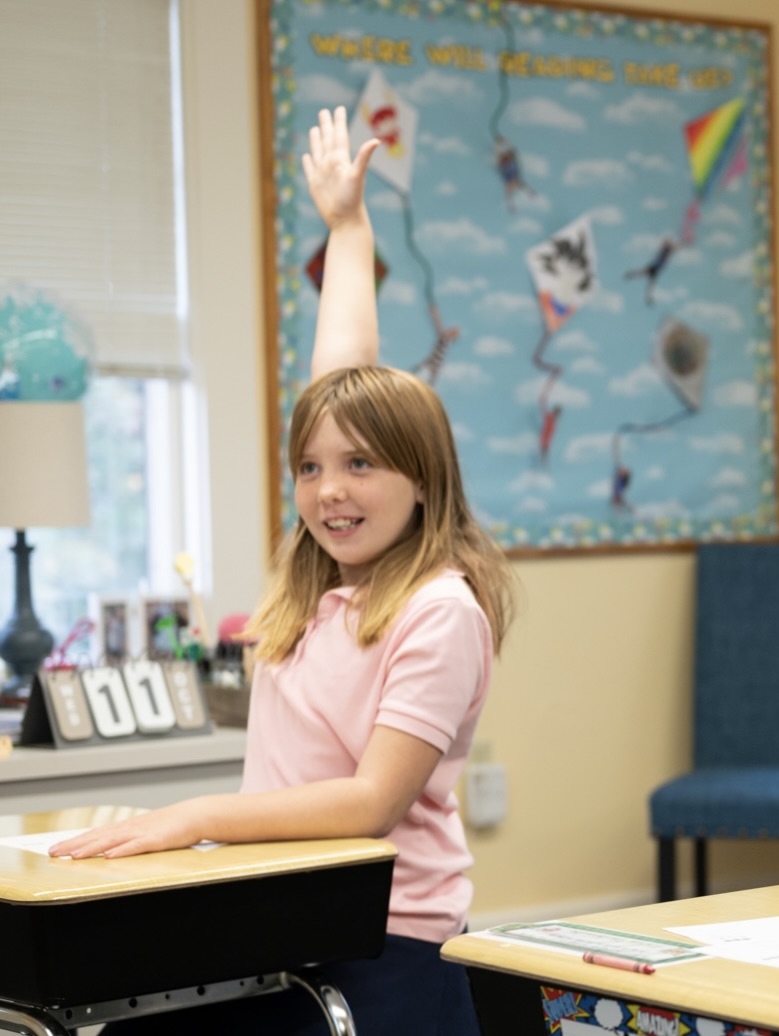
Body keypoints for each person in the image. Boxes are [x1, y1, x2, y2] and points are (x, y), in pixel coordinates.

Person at [48, 105, 513, 1036]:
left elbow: (371, 802)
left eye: (360, 466)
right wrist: (347, 227)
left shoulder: (440, 610)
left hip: (390, 954)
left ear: (421, 479)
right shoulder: (321, 584)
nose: (329, 489)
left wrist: (192, 818)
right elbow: (340, 381)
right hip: (283, 923)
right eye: (310, 466)